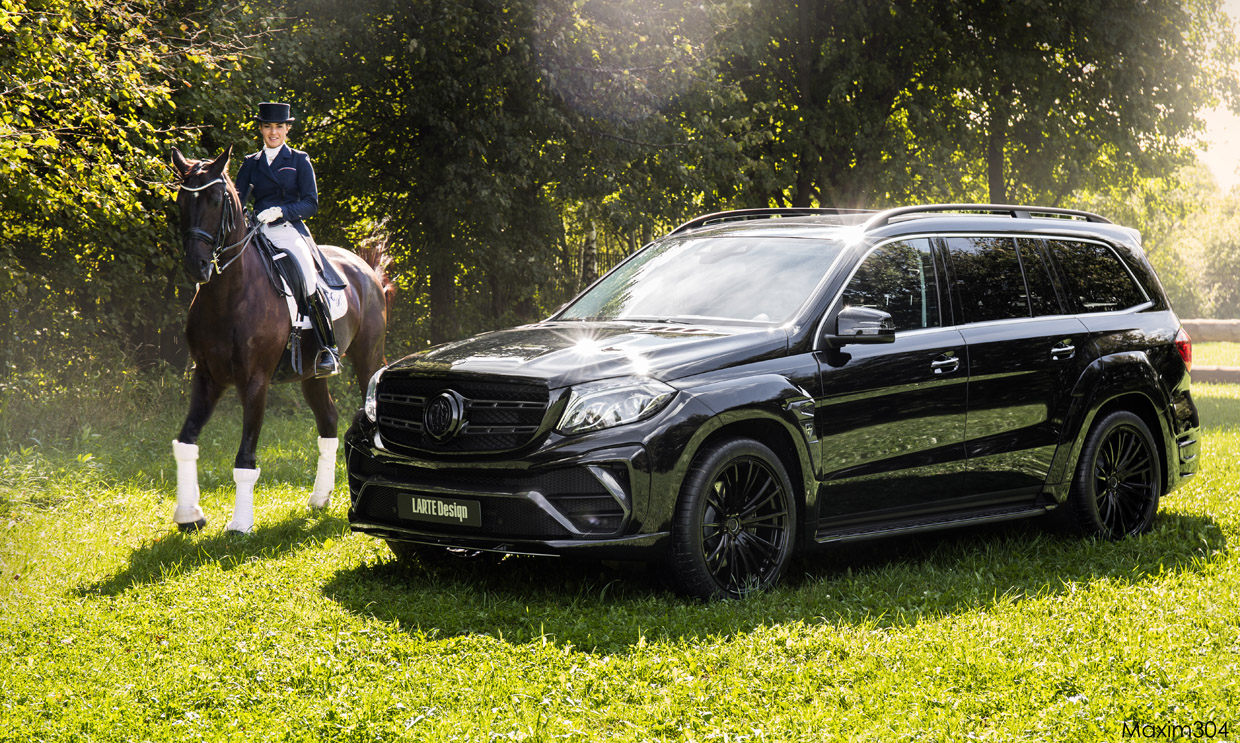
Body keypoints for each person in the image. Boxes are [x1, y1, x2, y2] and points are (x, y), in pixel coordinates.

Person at [233, 101, 340, 377]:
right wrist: (248, 217)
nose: (273, 132)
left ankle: (328, 348)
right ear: (260, 128)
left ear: (287, 129)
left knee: (307, 274)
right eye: (268, 126)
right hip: (256, 231)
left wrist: (281, 211)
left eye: (278, 126)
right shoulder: (250, 164)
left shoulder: (298, 160)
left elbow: (311, 204)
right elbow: (237, 202)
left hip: (289, 229)